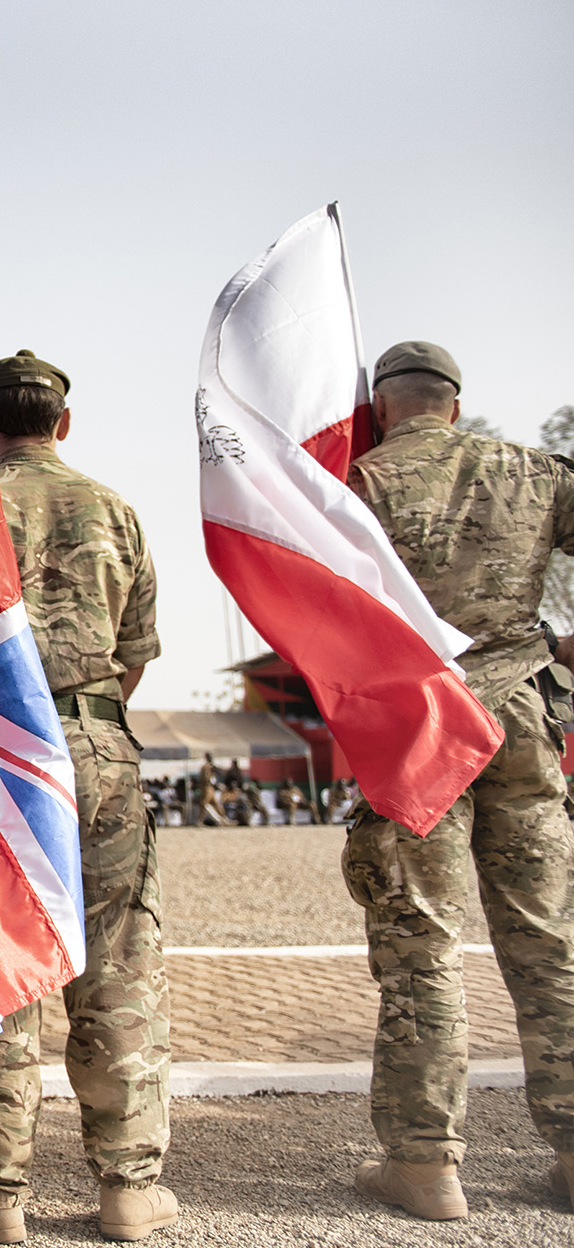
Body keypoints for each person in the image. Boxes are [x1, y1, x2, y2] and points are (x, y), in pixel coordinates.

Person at [0, 351, 175, 1244]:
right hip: (99, 746)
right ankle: (129, 1189)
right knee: (118, 967)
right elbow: (133, 652)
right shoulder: (115, 509)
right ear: (63, 424)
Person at [341, 341, 574, 1220]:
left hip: (418, 724)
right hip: (521, 713)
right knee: (548, 940)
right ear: (455, 401)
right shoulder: (536, 471)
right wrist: (553, 647)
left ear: (383, 405)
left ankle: (427, 1163)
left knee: (422, 945)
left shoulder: (354, 483)